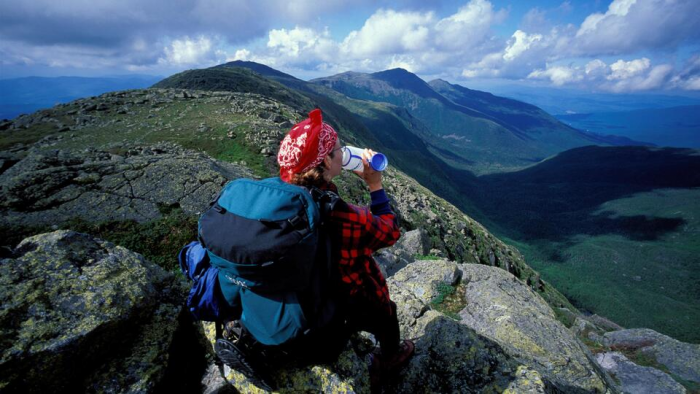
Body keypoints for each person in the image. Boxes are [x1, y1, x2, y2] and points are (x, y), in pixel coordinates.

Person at [277, 108, 415, 385]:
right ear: (326, 161)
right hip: (339, 297)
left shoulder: (281, 194)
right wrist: (375, 185)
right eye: (338, 149)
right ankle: (389, 358)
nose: (343, 153)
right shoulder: (339, 214)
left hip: (291, 292)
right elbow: (389, 232)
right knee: (386, 311)